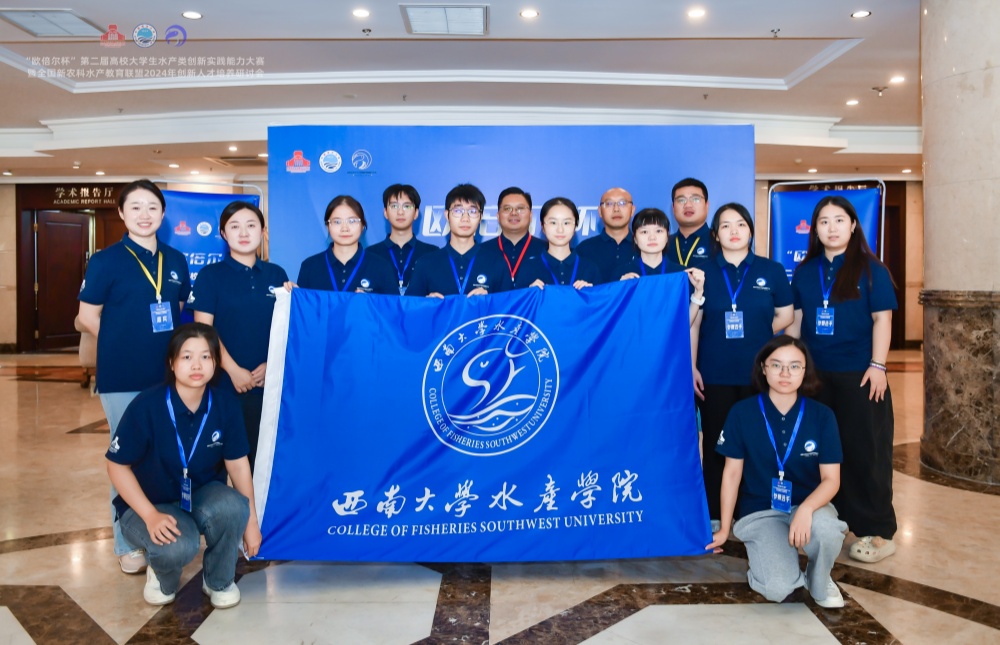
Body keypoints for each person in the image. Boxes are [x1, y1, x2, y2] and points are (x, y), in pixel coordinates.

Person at [78, 178, 191, 575]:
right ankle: (126, 543)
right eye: (136, 207)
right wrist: (121, 341)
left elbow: (177, 309)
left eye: (152, 207)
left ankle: (163, 529)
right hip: (122, 376)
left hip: (169, 377)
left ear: (163, 214)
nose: (145, 215)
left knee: (165, 455)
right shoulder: (105, 261)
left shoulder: (175, 260)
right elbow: (87, 316)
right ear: (122, 213)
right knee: (124, 456)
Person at [106, 323, 261, 609]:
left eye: (206, 356)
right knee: (180, 545)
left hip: (199, 495)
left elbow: (238, 466)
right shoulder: (147, 405)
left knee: (234, 507)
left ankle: (219, 581)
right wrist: (150, 515)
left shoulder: (225, 405)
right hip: (148, 504)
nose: (197, 365)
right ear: (172, 363)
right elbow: (116, 466)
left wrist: (250, 521)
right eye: (187, 357)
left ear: (216, 362)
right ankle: (161, 575)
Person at [787, 195, 898, 563]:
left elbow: (883, 319)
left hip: (860, 376)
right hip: (815, 378)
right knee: (819, 452)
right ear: (815, 230)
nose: (831, 228)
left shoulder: (871, 269)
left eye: (839, 220)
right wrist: (792, 367)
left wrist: (878, 365)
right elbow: (797, 323)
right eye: (824, 221)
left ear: (853, 225)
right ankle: (825, 522)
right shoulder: (805, 271)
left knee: (865, 451)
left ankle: (877, 530)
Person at [707, 335, 847, 609]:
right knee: (778, 587)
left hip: (810, 504)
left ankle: (819, 577)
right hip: (761, 510)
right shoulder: (742, 413)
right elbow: (732, 475)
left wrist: (806, 509)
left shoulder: (822, 416)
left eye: (794, 366)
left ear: (805, 371)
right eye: (776, 365)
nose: (785, 373)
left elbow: (832, 480)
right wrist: (724, 528)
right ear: (763, 368)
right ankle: (773, 561)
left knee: (828, 530)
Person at [692, 203, 794, 529]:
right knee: (716, 444)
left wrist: (759, 332)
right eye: (725, 225)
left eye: (740, 224)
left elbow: (786, 314)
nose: (733, 231)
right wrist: (692, 367)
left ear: (750, 230)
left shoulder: (771, 269)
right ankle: (713, 512)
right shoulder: (702, 272)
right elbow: (694, 324)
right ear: (715, 234)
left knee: (758, 443)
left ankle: (753, 510)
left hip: (758, 376)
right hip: (714, 373)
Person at [189, 201, 288, 473]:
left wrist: (271, 366)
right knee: (217, 464)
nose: (243, 233)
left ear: (263, 232)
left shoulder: (277, 274)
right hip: (223, 384)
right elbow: (204, 331)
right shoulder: (210, 276)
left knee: (262, 463)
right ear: (223, 233)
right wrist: (233, 370)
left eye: (251, 225)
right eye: (234, 226)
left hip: (267, 385)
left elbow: (286, 329)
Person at [407, 183, 505, 298]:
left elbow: (510, 306)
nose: (465, 218)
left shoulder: (497, 263)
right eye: (458, 211)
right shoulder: (425, 263)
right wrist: (426, 303)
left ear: (480, 217)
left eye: (473, 211)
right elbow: (409, 306)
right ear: (447, 215)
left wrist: (491, 301)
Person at [618, 208, 705, 325]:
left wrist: (698, 292)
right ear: (635, 239)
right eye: (644, 232)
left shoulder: (681, 275)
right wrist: (620, 291)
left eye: (658, 231)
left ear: (667, 236)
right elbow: (616, 324)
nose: (652, 237)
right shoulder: (623, 275)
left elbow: (684, 325)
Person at [295, 195, 397, 294]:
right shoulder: (309, 267)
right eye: (337, 222)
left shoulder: (382, 267)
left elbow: (393, 305)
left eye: (352, 221)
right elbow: (301, 304)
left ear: (362, 225)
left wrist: (369, 303)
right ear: (327, 226)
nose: (345, 228)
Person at [366, 184, 438, 295]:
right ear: (385, 212)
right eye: (394, 206)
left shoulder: (432, 253)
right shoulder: (370, 254)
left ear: (416, 213)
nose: (400, 212)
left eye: (407, 206)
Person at [523, 197, 602, 289]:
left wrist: (590, 293)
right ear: (542, 226)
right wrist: (529, 293)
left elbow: (602, 297)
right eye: (553, 223)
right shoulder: (528, 268)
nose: (560, 229)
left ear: (575, 226)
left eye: (566, 223)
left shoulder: (589, 268)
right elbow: (518, 298)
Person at [477, 186, 545, 290]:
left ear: (531, 215)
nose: (514, 213)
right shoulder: (481, 251)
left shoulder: (546, 250)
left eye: (520, 208)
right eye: (507, 209)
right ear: (498, 216)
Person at [575, 187, 637, 283]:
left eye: (622, 203)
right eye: (609, 204)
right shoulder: (584, 249)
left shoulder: (644, 248)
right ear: (600, 211)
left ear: (632, 210)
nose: (616, 209)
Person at [667, 177, 712, 268]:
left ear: (707, 205)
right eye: (681, 200)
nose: (688, 205)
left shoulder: (720, 242)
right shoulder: (663, 244)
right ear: (673, 207)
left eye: (695, 199)